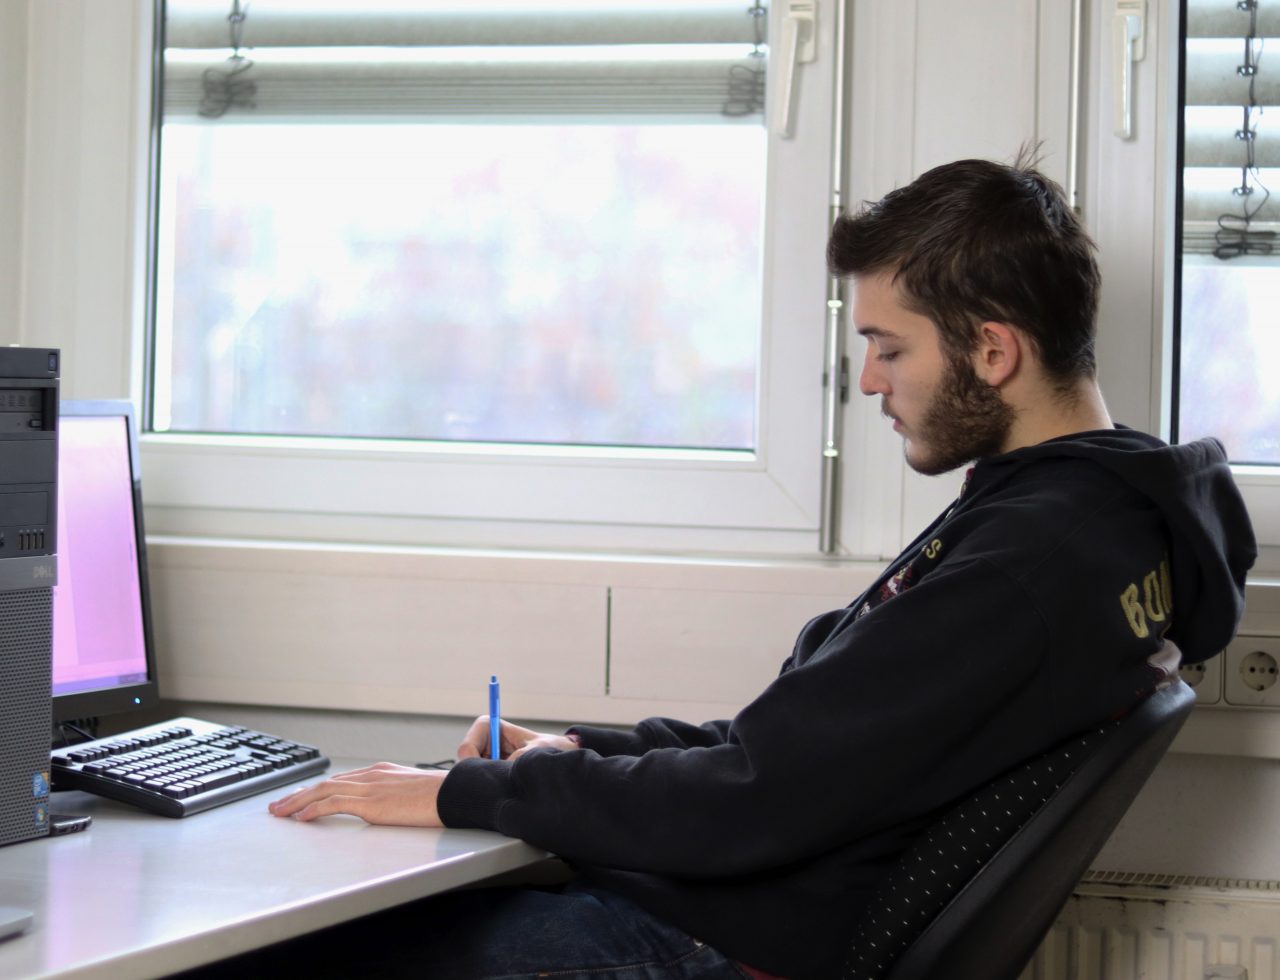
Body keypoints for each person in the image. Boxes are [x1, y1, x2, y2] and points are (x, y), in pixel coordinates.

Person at [267, 154, 1256, 979]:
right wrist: (577, 750)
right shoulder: (1101, 519)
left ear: (991, 349)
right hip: (758, 905)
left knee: (293, 946)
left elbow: (750, 795)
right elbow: (799, 748)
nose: (866, 379)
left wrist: (462, 793)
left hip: (721, 945)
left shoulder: (1025, 566)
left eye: (886, 346)